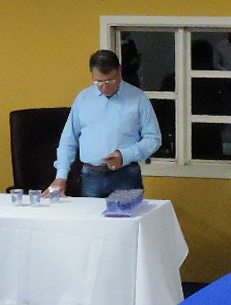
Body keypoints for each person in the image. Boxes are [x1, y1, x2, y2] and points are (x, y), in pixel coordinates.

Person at [48, 49, 162, 198]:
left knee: (128, 214)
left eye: (110, 80)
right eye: (99, 81)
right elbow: (68, 140)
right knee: (91, 214)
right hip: (91, 176)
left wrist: (124, 155)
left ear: (119, 72)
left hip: (126, 175)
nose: (104, 86)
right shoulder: (83, 99)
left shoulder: (138, 98)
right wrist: (61, 176)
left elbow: (153, 139)